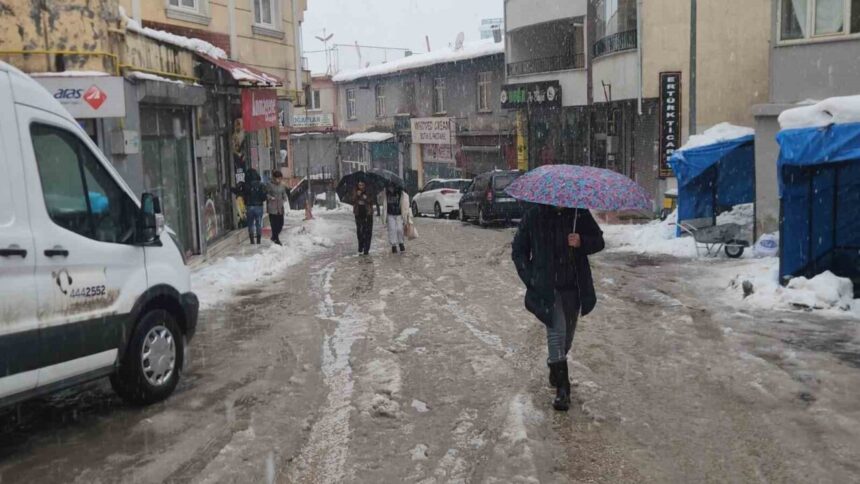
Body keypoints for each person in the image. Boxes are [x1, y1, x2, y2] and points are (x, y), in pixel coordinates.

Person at [511, 204, 605, 411]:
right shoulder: (534, 215)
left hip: (574, 286)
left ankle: (555, 365)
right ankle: (563, 389)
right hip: (547, 289)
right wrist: (531, 279)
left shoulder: (578, 213)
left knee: (566, 338)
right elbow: (518, 251)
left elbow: (599, 241)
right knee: (556, 331)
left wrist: (581, 241)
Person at [234, 168, 267, 245]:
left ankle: (252, 240)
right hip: (259, 206)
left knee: (250, 224)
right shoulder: (261, 185)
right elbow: (264, 197)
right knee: (258, 223)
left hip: (249, 206)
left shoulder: (246, 185)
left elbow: (242, 194)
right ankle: (258, 240)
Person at [382, 185, 412, 253]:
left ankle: (401, 243)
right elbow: (381, 201)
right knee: (392, 229)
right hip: (390, 214)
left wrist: (406, 213)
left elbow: (406, 201)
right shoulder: (386, 191)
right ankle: (394, 245)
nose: (391, 188)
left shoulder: (400, 191)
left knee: (399, 229)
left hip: (399, 214)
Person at [353, 181, 375, 255]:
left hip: (368, 214)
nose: (361, 186)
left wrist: (366, 198)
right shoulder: (355, 191)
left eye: (362, 185)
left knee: (368, 232)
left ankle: (366, 248)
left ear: (365, 185)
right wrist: (357, 195)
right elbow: (351, 200)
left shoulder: (369, 191)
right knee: (360, 231)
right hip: (358, 214)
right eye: (359, 185)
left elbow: (372, 200)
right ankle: (361, 245)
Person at [267, 170, 288, 245]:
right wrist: (270, 197)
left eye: (280, 178)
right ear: (274, 178)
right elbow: (266, 194)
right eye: (278, 178)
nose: (279, 179)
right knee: (274, 225)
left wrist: (285, 198)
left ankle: (274, 236)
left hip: (280, 207)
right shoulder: (269, 184)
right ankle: (276, 239)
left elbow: (284, 193)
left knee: (280, 224)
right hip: (272, 207)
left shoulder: (282, 185)